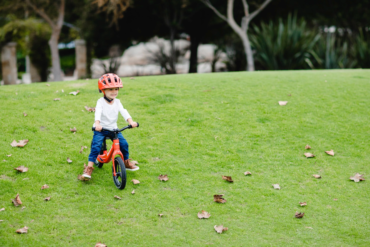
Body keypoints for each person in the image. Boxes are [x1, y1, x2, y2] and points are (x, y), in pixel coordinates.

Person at [82, 73, 139, 179]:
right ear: (103, 90)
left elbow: (123, 111)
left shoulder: (117, 102)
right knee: (96, 147)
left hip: (113, 129)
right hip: (101, 129)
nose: (114, 92)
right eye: (110, 89)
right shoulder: (100, 102)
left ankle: (126, 162)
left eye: (116, 89)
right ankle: (89, 168)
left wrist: (131, 121)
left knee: (124, 144)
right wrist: (97, 124)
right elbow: (98, 112)